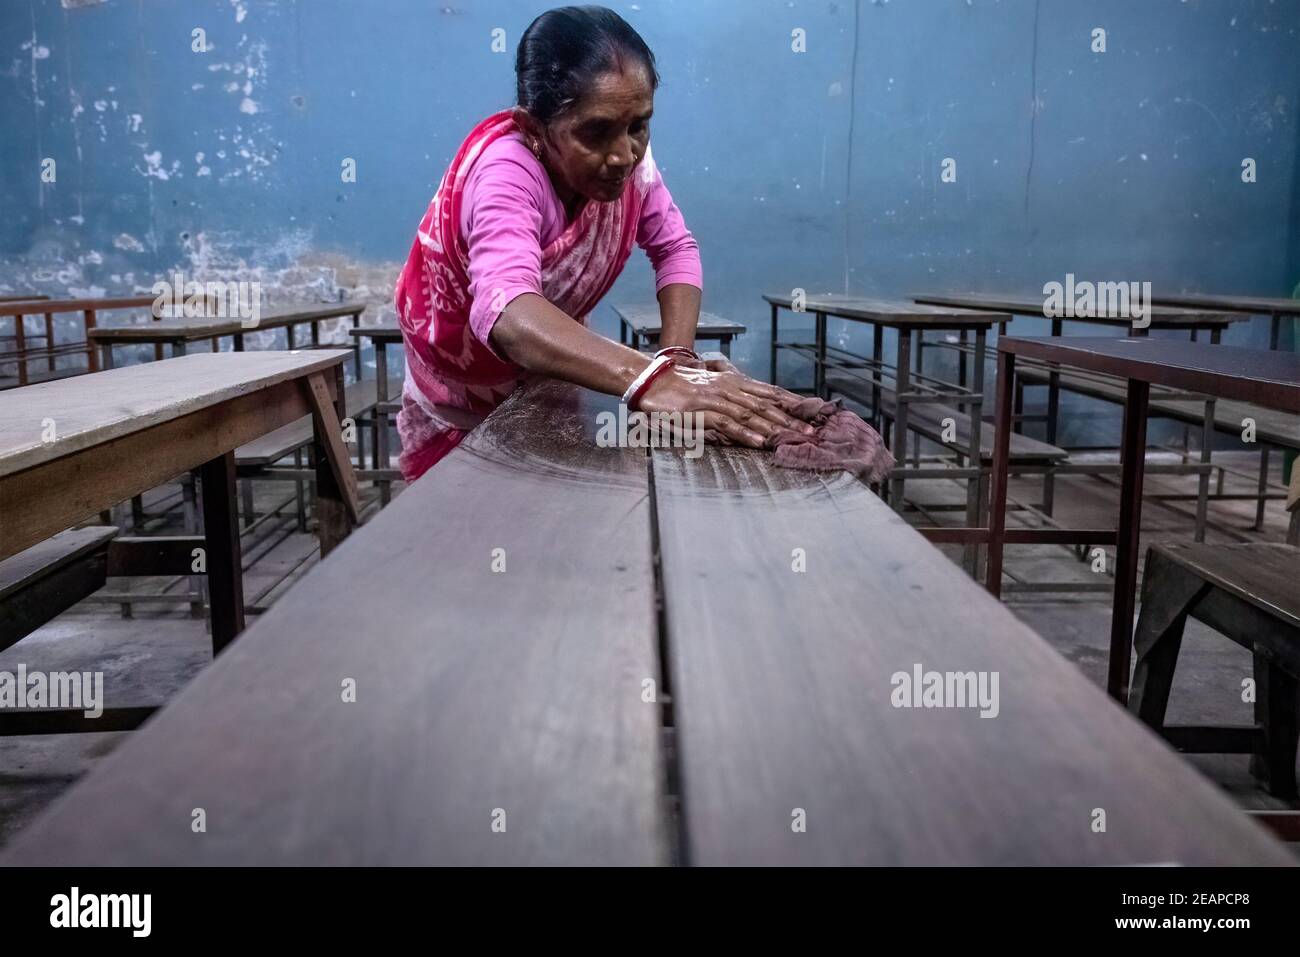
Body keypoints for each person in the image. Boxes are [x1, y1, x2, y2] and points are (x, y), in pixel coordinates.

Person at [393, 4, 810, 480]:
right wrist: (648, 379)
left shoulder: (632, 167)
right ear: (533, 130)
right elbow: (508, 312)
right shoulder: (504, 174)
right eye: (596, 133)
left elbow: (675, 249)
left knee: (554, 511)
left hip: (544, 371)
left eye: (639, 125)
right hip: (465, 384)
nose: (624, 155)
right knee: (465, 527)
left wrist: (676, 361)